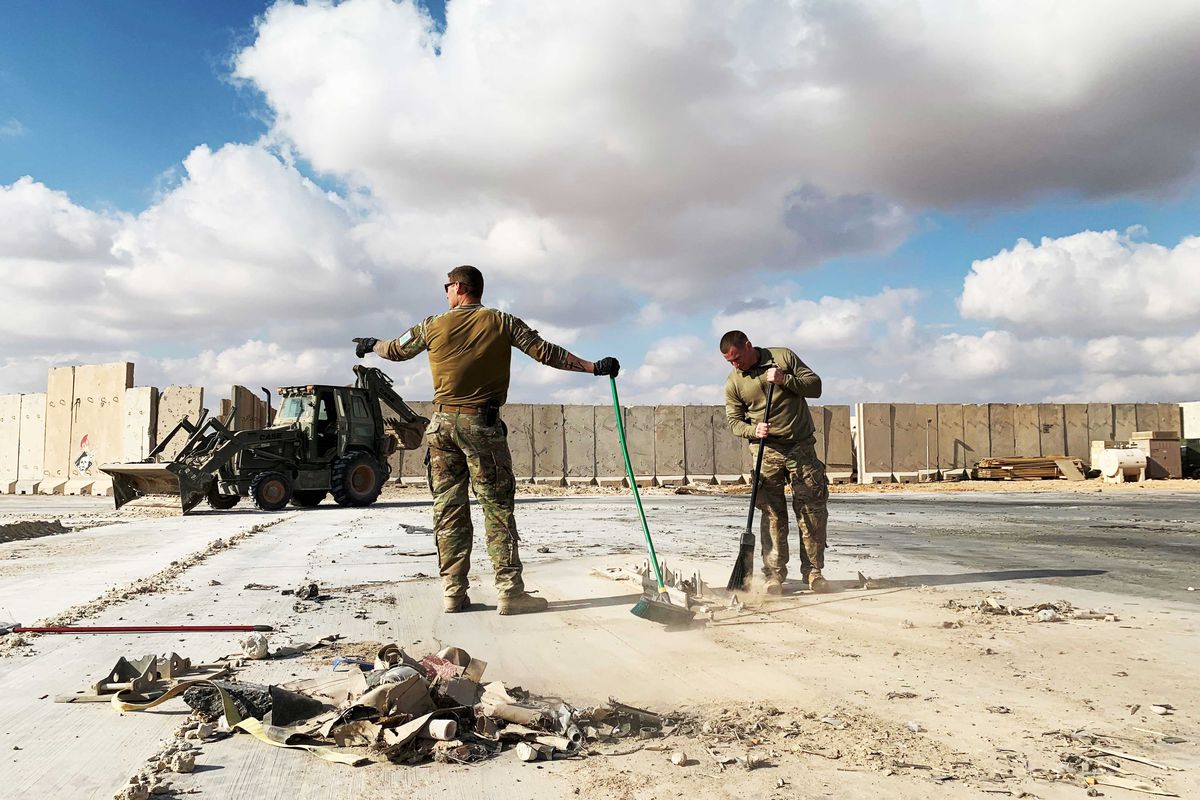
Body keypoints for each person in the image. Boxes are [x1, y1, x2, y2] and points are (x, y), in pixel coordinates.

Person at [353, 265, 620, 615]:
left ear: (461, 287)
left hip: (442, 427)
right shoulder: (501, 322)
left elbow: (396, 349)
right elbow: (546, 352)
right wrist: (593, 367)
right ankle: (510, 592)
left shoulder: (431, 325)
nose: (445, 292)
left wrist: (372, 345)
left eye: (447, 286)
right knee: (496, 508)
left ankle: (453, 592)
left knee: (448, 511)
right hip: (482, 425)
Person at [720, 330, 830, 594]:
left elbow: (815, 387)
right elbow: (734, 421)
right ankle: (774, 575)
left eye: (737, 358)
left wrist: (785, 380)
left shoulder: (783, 357)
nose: (736, 365)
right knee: (772, 515)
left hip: (800, 447)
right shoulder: (734, 382)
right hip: (765, 451)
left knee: (811, 511)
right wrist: (752, 431)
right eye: (730, 362)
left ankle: (813, 572)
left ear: (748, 346)